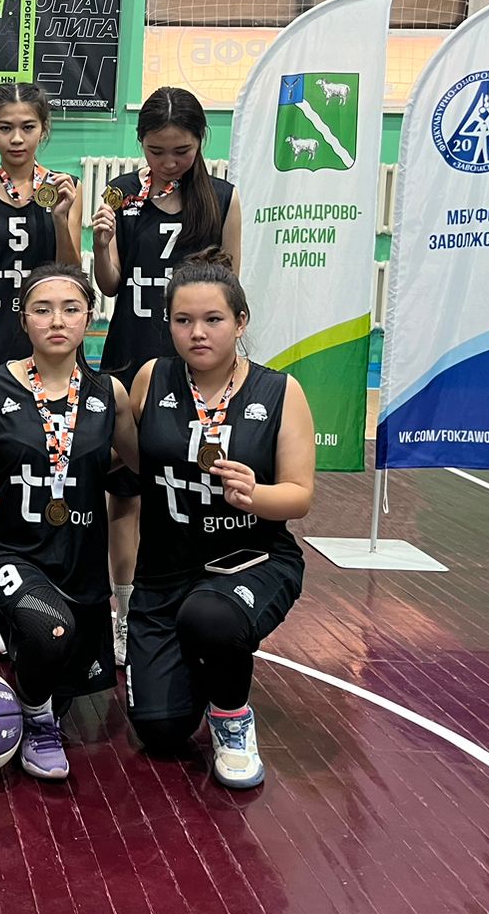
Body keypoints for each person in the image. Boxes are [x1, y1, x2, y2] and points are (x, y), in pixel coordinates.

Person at [125, 249, 313, 789]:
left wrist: (256, 495)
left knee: (211, 617)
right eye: (183, 320)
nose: (198, 333)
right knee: (160, 732)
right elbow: (132, 461)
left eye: (213, 319)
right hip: (165, 571)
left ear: (240, 322)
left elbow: (299, 496)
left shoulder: (279, 391)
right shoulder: (151, 378)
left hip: (251, 561)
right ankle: (193, 667)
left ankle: (232, 719)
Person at [93, 85, 241, 669]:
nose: (169, 162)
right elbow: (109, 284)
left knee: (194, 489)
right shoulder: (122, 193)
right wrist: (102, 242)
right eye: (157, 151)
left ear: (201, 142)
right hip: (131, 356)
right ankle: (126, 613)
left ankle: (197, 606)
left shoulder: (222, 199)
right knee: (126, 492)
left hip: (197, 368)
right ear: (141, 144)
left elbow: (229, 292)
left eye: (181, 150)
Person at [0, 264, 136, 780]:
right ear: (23, 319)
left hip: (78, 557)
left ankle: (41, 693)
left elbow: (141, 462)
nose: (57, 321)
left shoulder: (109, 393)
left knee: (63, 671)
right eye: (42, 310)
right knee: (51, 631)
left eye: (70, 309)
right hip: (9, 549)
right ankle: (37, 720)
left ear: (90, 316)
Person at [0, 82, 82, 656]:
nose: (17, 138)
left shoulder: (63, 189)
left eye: (28, 127)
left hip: (46, 352)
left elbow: (74, 276)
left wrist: (64, 217)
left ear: (43, 130)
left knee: (39, 467)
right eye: (5, 127)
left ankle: (38, 589)